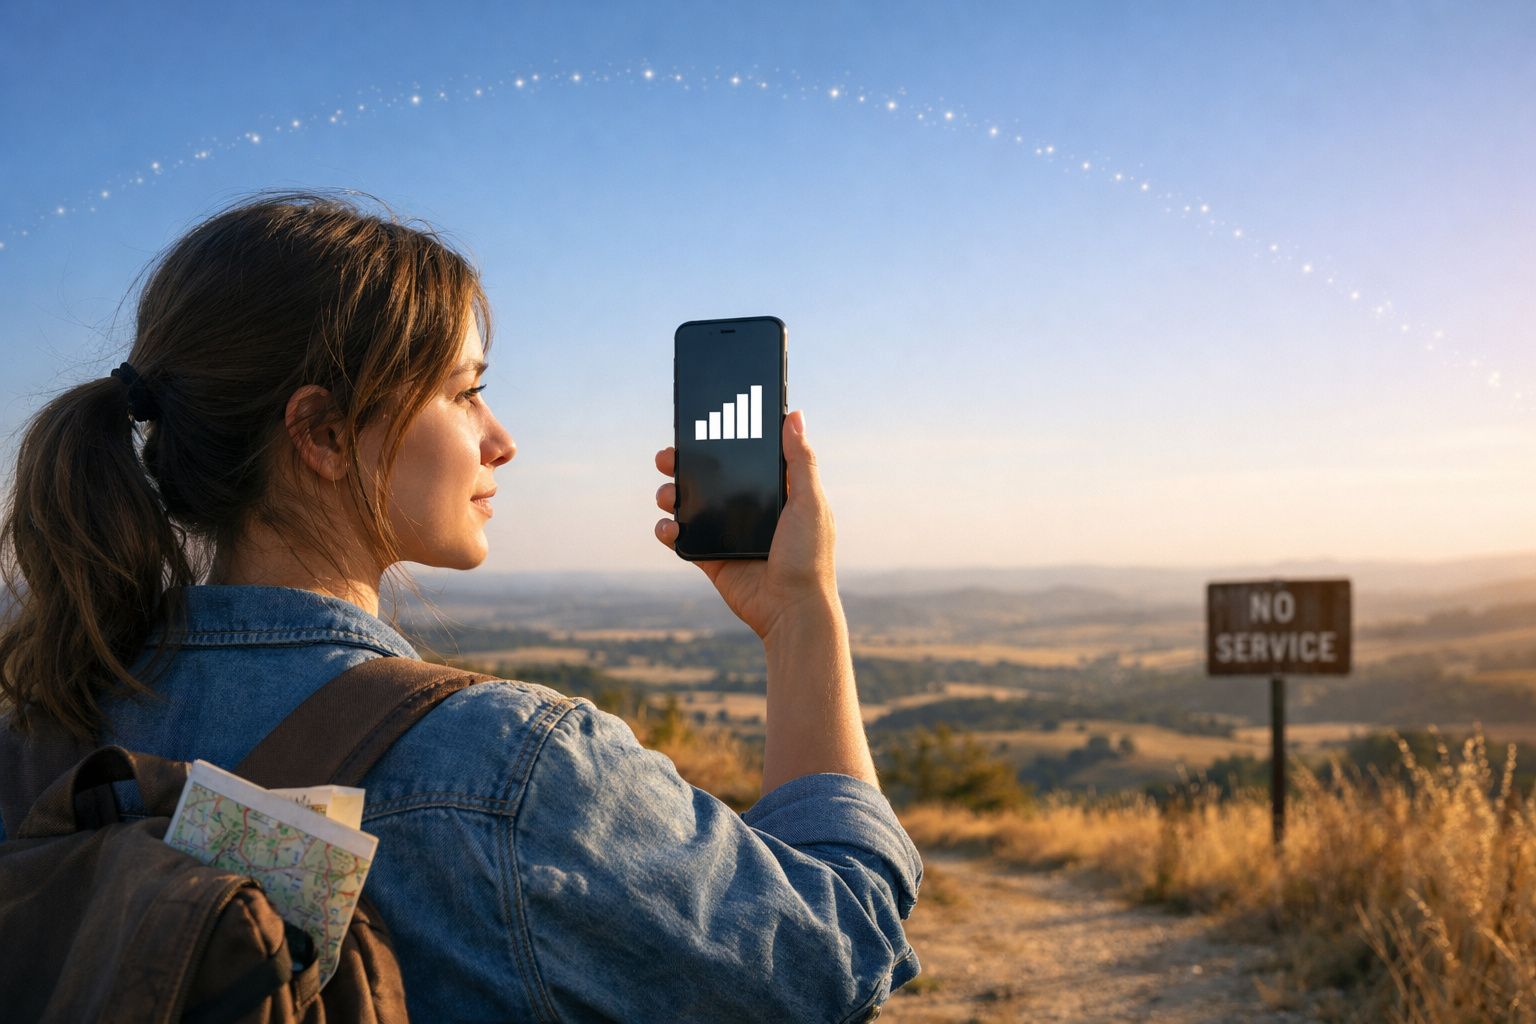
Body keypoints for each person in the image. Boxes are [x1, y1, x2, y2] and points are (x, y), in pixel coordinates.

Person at [0, 189, 922, 1021]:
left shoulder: (41, 733)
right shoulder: (511, 770)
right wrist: (803, 615)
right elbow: (834, 954)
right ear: (323, 434)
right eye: (465, 391)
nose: (503, 439)